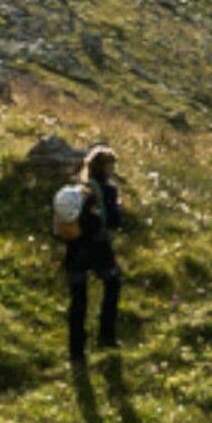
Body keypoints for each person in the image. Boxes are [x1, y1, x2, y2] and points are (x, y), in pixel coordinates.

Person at [62, 144, 129, 361]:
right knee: (113, 283)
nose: (113, 168)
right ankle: (106, 336)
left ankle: (76, 351)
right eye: (111, 164)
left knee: (78, 298)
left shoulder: (78, 188)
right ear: (104, 166)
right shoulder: (108, 190)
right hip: (99, 248)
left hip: (75, 249)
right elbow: (115, 221)